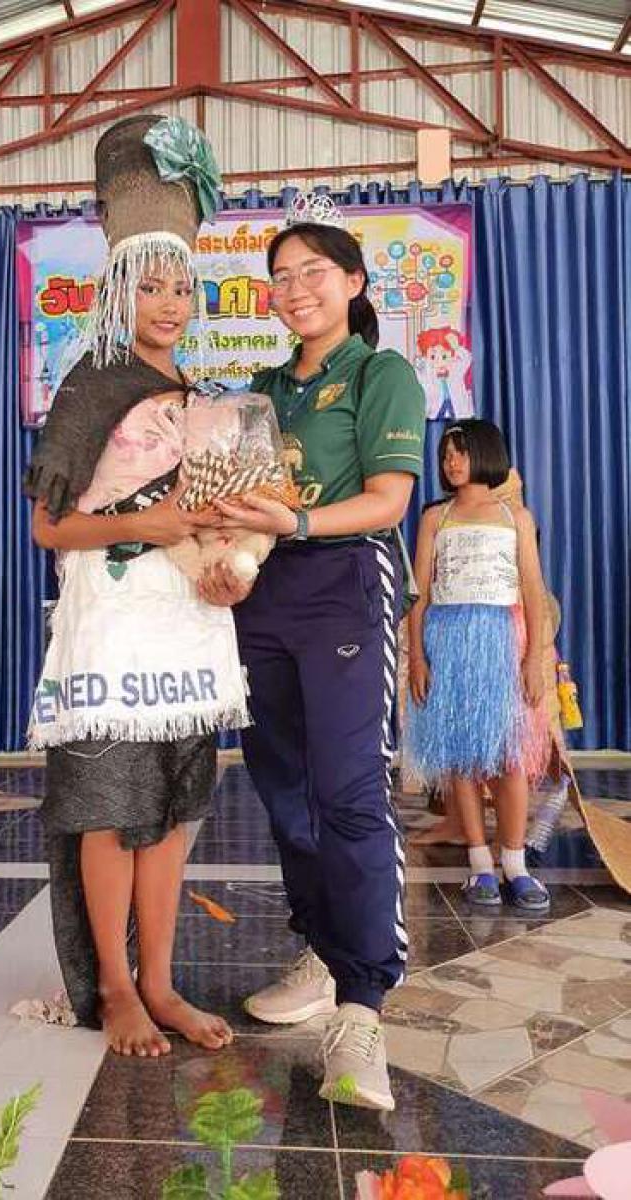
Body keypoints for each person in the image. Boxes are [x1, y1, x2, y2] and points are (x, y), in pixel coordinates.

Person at [25, 115, 246, 1058]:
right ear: (117, 287)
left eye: (182, 286)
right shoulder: (90, 384)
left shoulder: (194, 390)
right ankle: (115, 989)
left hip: (186, 626)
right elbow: (48, 528)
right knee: (110, 808)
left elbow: (206, 513)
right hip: (112, 627)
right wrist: (145, 527)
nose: (170, 303)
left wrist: (223, 563)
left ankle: (160, 981)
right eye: (150, 286)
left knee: (176, 813)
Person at [200, 194, 426, 1112]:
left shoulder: (381, 374)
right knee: (284, 789)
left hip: (343, 581)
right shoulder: (261, 389)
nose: (296, 289)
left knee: (348, 792)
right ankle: (323, 953)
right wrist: (222, 545)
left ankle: (363, 1005)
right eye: (281, 277)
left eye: (314, 273)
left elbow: (387, 500)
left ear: (354, 282)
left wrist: (294, 520)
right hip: (263, 594)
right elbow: (232, 491)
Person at [406, 420, 551, 910]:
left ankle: (515, 863)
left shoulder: (515, 517)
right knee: (462, 757)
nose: (451, 462)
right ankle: (479, 865)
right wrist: (418, 657)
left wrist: (533, 659)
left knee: (509, 758)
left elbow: (532, 590)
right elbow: (419, 594)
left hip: (501, 644)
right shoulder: (436, 517)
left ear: (486, 454)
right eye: (446, 454)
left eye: (461, 453)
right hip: (447, 642)